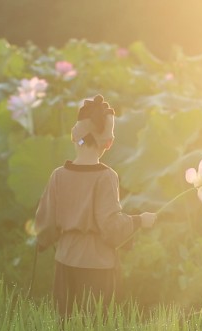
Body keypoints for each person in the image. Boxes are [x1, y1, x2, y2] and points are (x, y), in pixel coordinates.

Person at [34, 94, 157, 318]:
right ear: (108, 143)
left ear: (76, 137)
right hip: (98, 267)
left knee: (65, 328)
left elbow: (45, 224)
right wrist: (139, 220)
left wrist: (45, 242)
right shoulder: (106, 177)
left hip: (65, 261)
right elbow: (111, 227)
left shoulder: (58, 176)